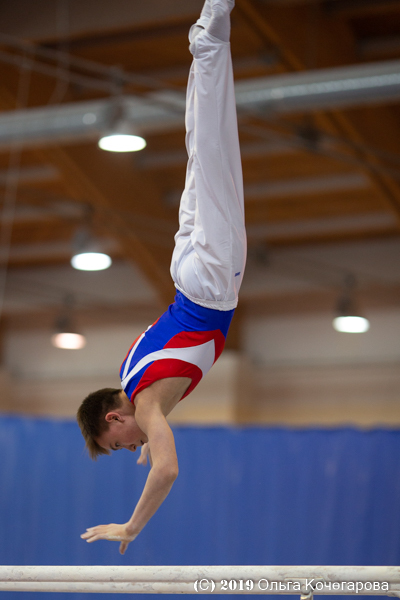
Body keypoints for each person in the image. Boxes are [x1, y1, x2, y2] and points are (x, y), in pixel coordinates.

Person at [78, 0, 246, 555]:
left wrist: (131, 527)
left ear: (116, 415)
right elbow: (153, 422)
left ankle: (214, 26)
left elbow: (168, 470)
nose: (132, 447)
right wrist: (148, 435)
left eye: (122, 442)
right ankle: (204, 41)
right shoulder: (129, 376)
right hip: (185, 272)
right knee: (201, 149)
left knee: (217, 149)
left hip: (212, 283)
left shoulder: (145, 403)